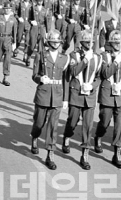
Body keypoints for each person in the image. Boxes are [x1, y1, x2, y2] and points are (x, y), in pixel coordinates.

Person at [62, 30, 103, 170]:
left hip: (89, 96)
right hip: (76, 94)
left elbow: (99, 77)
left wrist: (92, 85)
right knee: (72, 122)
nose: (89, 45)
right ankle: (67, 136)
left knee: (88, 126)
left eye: (90, 42)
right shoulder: (74, 55)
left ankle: (85, 154)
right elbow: (73, 72)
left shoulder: (97, 58)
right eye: (86, 42)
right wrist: (85, 60)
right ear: (81, 43)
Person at [30, 29, 69, 170]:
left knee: (53, 127)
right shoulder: (41, 55)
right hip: (43, 93)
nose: (55, 44)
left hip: (57, 95)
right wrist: (40, 78)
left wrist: (65, 99)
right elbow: (34, 75)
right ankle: (34, 137)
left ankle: (50, 154)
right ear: (48, 43)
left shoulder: (64, 58)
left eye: (57, 42)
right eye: (53, 42)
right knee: (39, 123)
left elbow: (66, 80)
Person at [94, 29, 121, 169]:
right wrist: (116, 63)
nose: (117, 44)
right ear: (110, 43)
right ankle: (98, 136)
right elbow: (104, 73)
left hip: (120, 96)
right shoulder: (104, 56)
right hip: (107, 95)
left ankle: (117, 154)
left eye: (119, 41)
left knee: (119, 126)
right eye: (114, 42)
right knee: (104, 122)